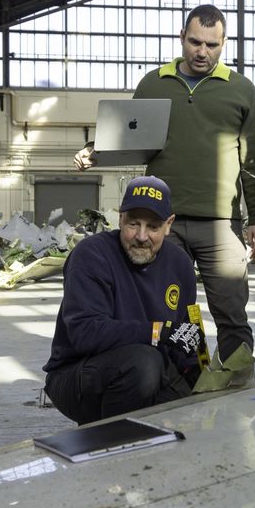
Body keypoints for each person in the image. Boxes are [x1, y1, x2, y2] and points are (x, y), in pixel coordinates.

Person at [74, 5, 255, 365]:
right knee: (163, 313)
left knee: (232, 315)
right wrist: (95, 151)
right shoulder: (154, 83)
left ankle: (237, 382)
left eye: (212, 45)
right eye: (195, 42)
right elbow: (127, 136)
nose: (202, 51)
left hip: (221, 225)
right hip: (162, 223)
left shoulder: (241, 91)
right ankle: (179, 380)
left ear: (223, 43)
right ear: (182, 38)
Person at [43, 176, 203, 425]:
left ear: (168, 225)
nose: (141, 236)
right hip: (78, 374)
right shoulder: (91, 255)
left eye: (153, 227)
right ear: (120, 217)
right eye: (133, 224)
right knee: (143, 365)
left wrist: (201, 374)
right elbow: (86, 334)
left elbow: (183, 333)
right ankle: (112, 445)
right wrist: (158, 332)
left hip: (150, 369)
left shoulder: (180, 265)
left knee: (188, 406)